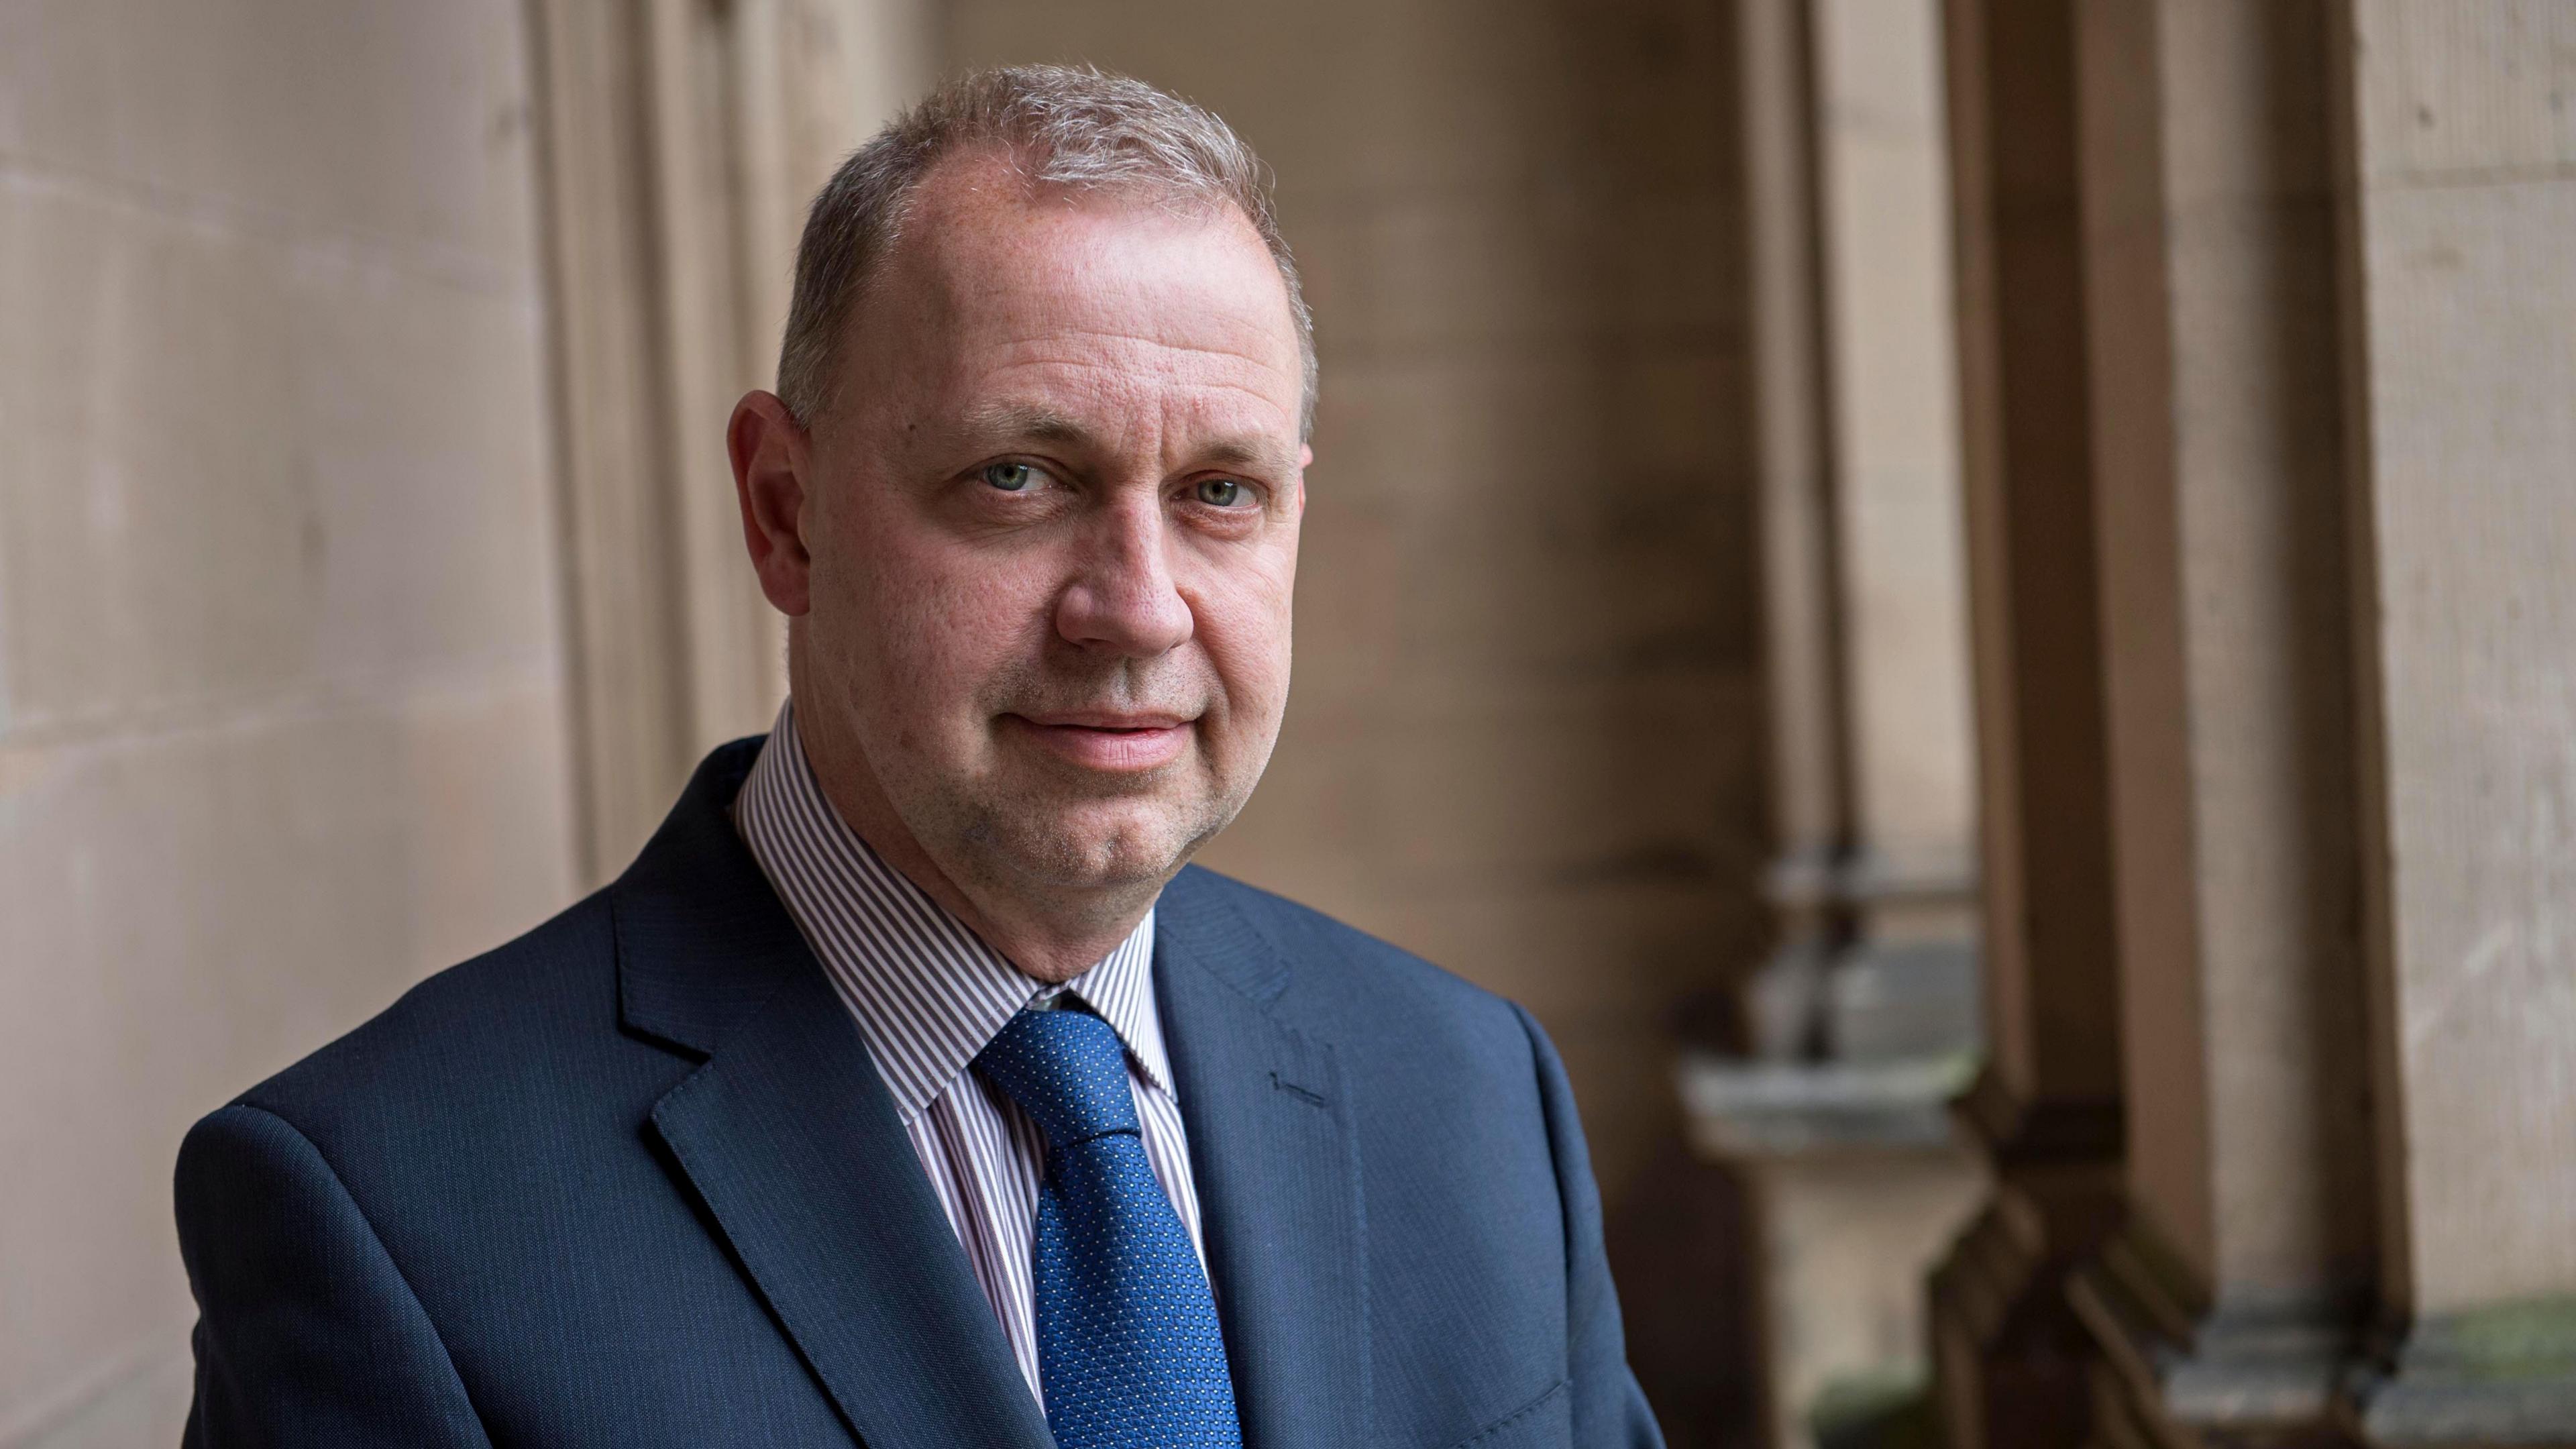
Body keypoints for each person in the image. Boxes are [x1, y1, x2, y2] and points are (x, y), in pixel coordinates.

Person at [174, 65, 1663, 1449]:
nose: (1136, 607)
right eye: (1017, 477)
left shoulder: (1473, 1095)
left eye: (1220, 490)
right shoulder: (388, 1215)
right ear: (785, 511)